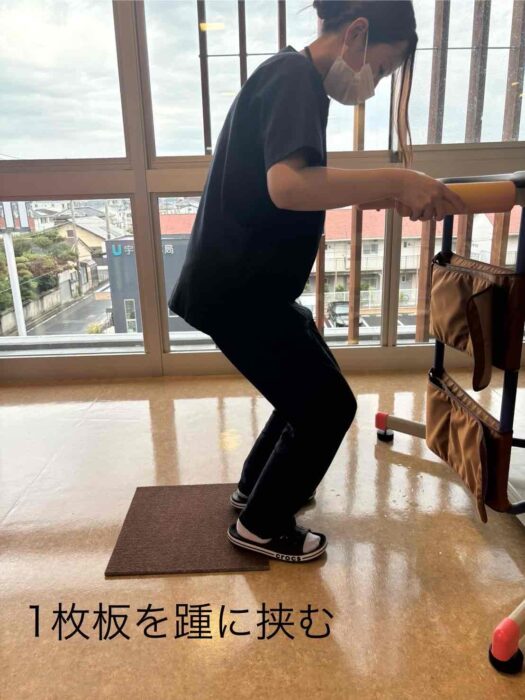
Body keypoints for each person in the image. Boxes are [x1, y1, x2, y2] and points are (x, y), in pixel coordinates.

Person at [168, 1, 468, 563]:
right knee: (328, 406)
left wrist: (388, 192)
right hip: (237, 291)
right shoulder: (292, 78)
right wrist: (397, 178)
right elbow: (289, 186)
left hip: (244, 286)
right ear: (357, 33)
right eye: (382, 68)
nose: (375, 82)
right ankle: (261, 526)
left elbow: (298, 184)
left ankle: (255, 490)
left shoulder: (293, 78)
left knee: (311, 387)